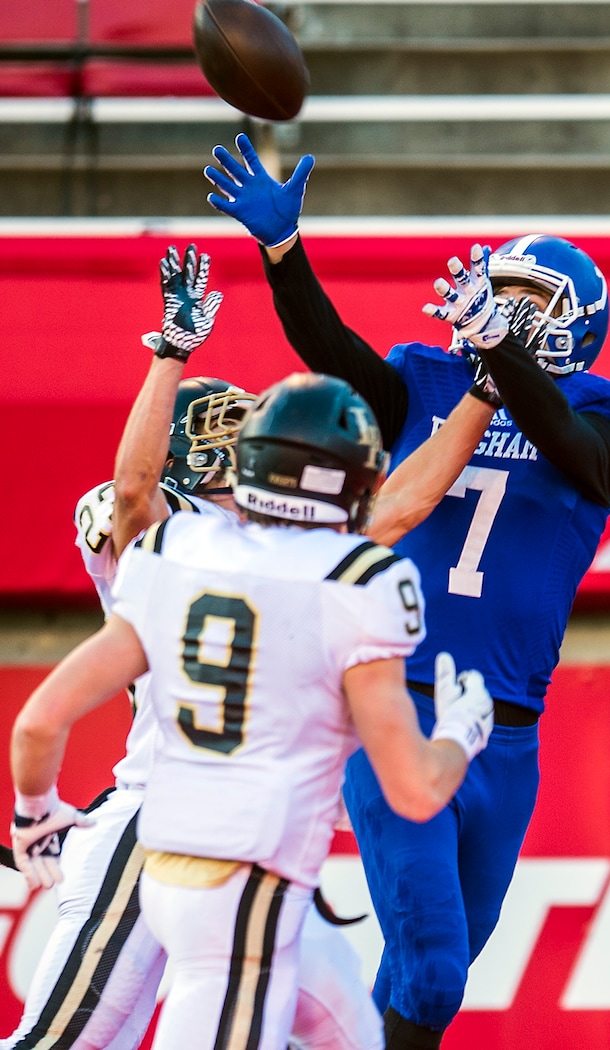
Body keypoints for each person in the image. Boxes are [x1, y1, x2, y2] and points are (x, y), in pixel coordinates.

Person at [203, 135, 610, 1050]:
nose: (504, 312)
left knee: (422, 983)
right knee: (436, 967)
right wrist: (284, 256)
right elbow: (331, 351)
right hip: (395, 708)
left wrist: (505, 361)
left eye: (529, 304)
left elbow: (577, 456)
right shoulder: (427, 379)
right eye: (501, 295)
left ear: (576, 323)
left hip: (507, 736)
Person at [3, 243, 497, 1050]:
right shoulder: (182, 536)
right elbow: (130, 498)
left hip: (251, 855)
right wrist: (169, 356)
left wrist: (485, 386)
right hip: (172, 825)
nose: (247, 452)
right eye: (227, 435)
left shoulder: (288, 551)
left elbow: (406, 502)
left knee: (350, 1035)